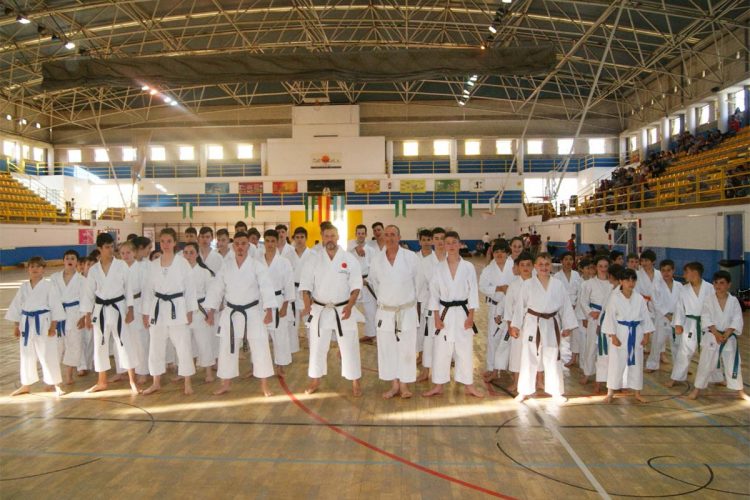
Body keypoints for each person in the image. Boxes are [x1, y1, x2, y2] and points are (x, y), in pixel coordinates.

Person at [206, 231, 275, 396]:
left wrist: (270, 309)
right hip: (231, 311)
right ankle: (225, 384)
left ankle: (264, 386)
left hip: (253, 311)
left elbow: (266, 287)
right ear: (233, 246)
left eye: (243, 244)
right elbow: (217, 289)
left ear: (249, 246)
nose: (240, 247)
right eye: (237, 244)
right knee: (227, 348)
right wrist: (211, 310)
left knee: (260, 346)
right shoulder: (226, 267)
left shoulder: (257, 266)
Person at [300, 223, 363, 396]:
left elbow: (356, 285)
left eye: (333, 236)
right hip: (319, 310)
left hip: (343, 309)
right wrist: (307, 305)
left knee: (349, 346)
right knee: (317, 347)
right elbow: (306, 286)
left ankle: (355, 381)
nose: (330, 239)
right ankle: (315, 380)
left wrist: (350, 306)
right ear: (322, 237)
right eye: (326, 236)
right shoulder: (313, 259)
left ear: (338, 237)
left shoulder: (349, 259)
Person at [423, 231, 484, 398]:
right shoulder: (438, 267)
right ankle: (438, 385)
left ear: (459, 244)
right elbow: (434, 294)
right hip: (444, 313)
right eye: (447, 242)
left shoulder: (468, 267)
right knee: (441, 350)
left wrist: (471, 316)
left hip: (463, 313)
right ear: (444, 245)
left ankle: (468, 385)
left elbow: (472, 292)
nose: (450, 245)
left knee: (464, 349)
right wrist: (436, 317)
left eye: (453, 242)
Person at [510, 253, 577, 403]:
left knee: (553, 357)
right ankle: (524, 391)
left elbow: (566, 305)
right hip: (532, 322)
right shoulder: (527, 284)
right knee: (528, 356)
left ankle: (556, 392)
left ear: (551, 266)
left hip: (551, 322)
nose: (544, 267)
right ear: (535, 267)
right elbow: (520, 306)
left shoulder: (558, 284)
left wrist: (567, 325)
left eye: (547, 264)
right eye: (540, 264)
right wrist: (515, 325)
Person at [141, 228, 197, 396]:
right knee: (155, 346)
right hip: (157, 309)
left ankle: (187, 382)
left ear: (174, 243)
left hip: (177, 308)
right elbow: (147, 290)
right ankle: (156, 381)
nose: (165, 244)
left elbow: (190, 288)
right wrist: (145, 313)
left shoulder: (182, 263)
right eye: (162, 241)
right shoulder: (153, 265)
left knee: (183, 346)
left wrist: (190, 310)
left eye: (168, 241)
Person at [81, 233, 139, 394]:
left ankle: (132, 381)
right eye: (107, 247)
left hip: (119, 307)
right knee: (100, 345)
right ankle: (102, 381)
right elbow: (88, 294)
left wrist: (131, 309)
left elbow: (128, 289)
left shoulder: (121, 266)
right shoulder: (93, 270)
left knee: (124, 342)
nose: (110, 250)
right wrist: (87, 315)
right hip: (100, 310)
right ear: (99, 248)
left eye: (112, 246)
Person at [368, 225, 420, 399]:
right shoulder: (376, 260)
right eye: (387, 235)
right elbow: (375, 284)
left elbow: (418, 283)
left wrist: (409, 303)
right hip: (386, 312)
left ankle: (404, 385)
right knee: (387, 349)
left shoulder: (411, 257)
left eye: (393, 235)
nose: (389, 238)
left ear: (399, 237)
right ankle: (394, 384)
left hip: (406, 311)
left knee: (406, 350)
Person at [5, 257, 65, 396]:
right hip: (26, 323)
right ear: (28, 269)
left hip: (43, 322)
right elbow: (16, 306)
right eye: (32, 266)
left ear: (43, 269)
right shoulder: (24, 287)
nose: (35, 269)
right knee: (26, 354)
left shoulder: (49, 286)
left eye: (38, 267)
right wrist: (16, 325)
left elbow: (55, 306)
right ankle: (26, 385)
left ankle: (56, 384)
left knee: (48, 353)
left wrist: (53, 326)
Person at [689, 271, 747, 400]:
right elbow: (705, 317)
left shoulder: (734, 301)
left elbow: (737, 319)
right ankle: (697, 389)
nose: (718, 286)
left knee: (733, 363)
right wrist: (715, 333)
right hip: (712, 336)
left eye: (722, 283)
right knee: (706, 363)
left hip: (728, 336)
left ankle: (740, 391)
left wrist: (727, 332)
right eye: (716, 283)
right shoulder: (709, 300)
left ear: (728, 285)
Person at [602, 268, 654, 404]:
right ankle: (610, 392)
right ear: (621, 281)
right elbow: (610, 317)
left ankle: (637, 392)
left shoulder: (639, 298)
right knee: (616, 363)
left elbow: (645, 317)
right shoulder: (614, 297)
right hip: (620, 331)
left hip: (636, 332)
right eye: (627, 280)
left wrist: (647, 334)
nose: (630, 283)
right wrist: (612, 336)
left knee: (636, 364)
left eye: (633, 280)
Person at [667, 262, 713, 388]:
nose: (684, 275)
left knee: (711, 351)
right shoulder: (684, 289)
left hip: (707, 325)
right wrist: (678, 324)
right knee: (684, 351)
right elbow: (679, 308)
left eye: (686, 272)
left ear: (695, 273)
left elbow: (715, 307)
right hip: (690, 324)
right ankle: (676, 377)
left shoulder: (710, 288)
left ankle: (716, 377)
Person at [261, 229, 295, 377]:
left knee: (280, 335)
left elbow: (288, 285)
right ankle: (260, 365)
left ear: (277, 241)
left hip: (278, 300)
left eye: (272, 241)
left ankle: (280, 365)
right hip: (260, 302)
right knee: (260, 336)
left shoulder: (284, 262)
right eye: (267, 241)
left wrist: (285, 306)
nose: (270, 244)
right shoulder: (257, 260)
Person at [499, 252, 534, 395]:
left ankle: (537, 380)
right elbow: (508, 308)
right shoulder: (514, 285)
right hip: (517, 323)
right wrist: (510, 326)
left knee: (535, 352)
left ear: (533, 266)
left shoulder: (537, 283)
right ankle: (516, 381)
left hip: (534, 322)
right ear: (518, 267)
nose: (525, 268)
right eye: (522, 265)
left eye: (528, 265)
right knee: (516, 353)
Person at [577, 255, 613, 393]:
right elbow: (583, 301)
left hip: (608, 318)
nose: (603, 269)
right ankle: (588, 373)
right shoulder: (588, 284)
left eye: (605, 266)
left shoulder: (613, 284)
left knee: (607, 349)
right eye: (600, 266)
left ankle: (608, 376)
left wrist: (605, 313)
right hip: (594, 317)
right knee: (591, 346)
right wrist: (590, 312)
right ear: (595, 268)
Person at [182, 242, 216, 383]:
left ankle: (209, 372)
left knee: (204, 343)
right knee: (183, 343)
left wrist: (210, 313)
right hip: (182, 310)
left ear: (197, 254)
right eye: (186, 252)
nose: (188, 255)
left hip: (200, 310)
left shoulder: (204, 272)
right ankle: (184, 372)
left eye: (191, 252)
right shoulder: (179, 271)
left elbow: (212, 294)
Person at [50, 250, 85, 386]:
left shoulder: (82, 280)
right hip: (57, 315)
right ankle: (54, 376)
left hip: (75, 314)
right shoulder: (54, 277)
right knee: (56, 346)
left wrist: (83, 317)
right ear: (63, 260)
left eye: (73, 258)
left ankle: (69, 375)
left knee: (74, 345)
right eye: (67, 258)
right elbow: (50, 298)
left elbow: (86, 299)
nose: (70, 260)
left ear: (77, 261)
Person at [479, 242, 511, 384]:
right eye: (496, 251)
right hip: (495, 307)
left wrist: (509, 290)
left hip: (511, 308)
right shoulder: (488, 269)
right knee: (493, 339)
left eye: (502, 251)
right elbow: (482, 286)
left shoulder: (514, 266)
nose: (499, 254)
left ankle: (507, 367)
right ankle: (492, 368)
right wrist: (499, 288)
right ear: (492, 253)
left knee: (511, 338)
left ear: (507, 253)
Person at [416, 227, 445, 383]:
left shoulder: (453, 259)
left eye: (442, 238)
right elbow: (419, 286)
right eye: (437, 238)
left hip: (450, 308)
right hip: (430, 306)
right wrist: (418, 305)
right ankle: (426, 371)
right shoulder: (425, 262)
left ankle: (443, 372)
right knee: (428, 340)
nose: (440, 242)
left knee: (446, 341)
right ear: (433, 241)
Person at [646, 259, 682, 372]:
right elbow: (656, 303)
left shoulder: (679, 286)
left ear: (673, 271)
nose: (666, 273)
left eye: (669, 270)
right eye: (663, 271)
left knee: (677, 344)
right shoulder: (656, 285)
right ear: (660, 272)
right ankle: (652, 365)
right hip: (662, 318)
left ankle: (680, 368)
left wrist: (676, 316)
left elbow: (682, 302)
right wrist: (667, 314)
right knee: (657, 342)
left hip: (676, 318)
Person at [348, 224, 377, 344]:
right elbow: (346, 266)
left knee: (371, 311)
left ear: (366, 234)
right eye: (358, 233)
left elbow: (375, 268)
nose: (360, 235)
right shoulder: (350, 250)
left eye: (362, 233)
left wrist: (368, 280)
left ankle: (371, 334)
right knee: (349, 308)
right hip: (354, 283)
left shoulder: (371, 251)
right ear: (356, 234)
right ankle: (349, 334)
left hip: (367, 283)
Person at [555, 252, 582, 368]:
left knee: (575, 333)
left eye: (571, 259)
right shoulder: (556, 277)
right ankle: (556, 355)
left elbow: (581, 292)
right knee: (557, 333)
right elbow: (555, 294)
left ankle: (574, 357)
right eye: (566, 259)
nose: (568, 262)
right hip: (561, 308)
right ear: (561, 261)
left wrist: (576, 304)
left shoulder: (577, 275)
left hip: (575, 307)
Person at [288, 227, 312, 354]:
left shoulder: (312, 255)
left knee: (309, 323)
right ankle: (292, 350)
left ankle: (314, 349)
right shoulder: (288, 255)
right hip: (292, 291)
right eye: (297, 237)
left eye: (302, 237)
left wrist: (313, 297)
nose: (299, 240)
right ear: (294, 238)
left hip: (307, 292)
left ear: (306, 238)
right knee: (292, 323)